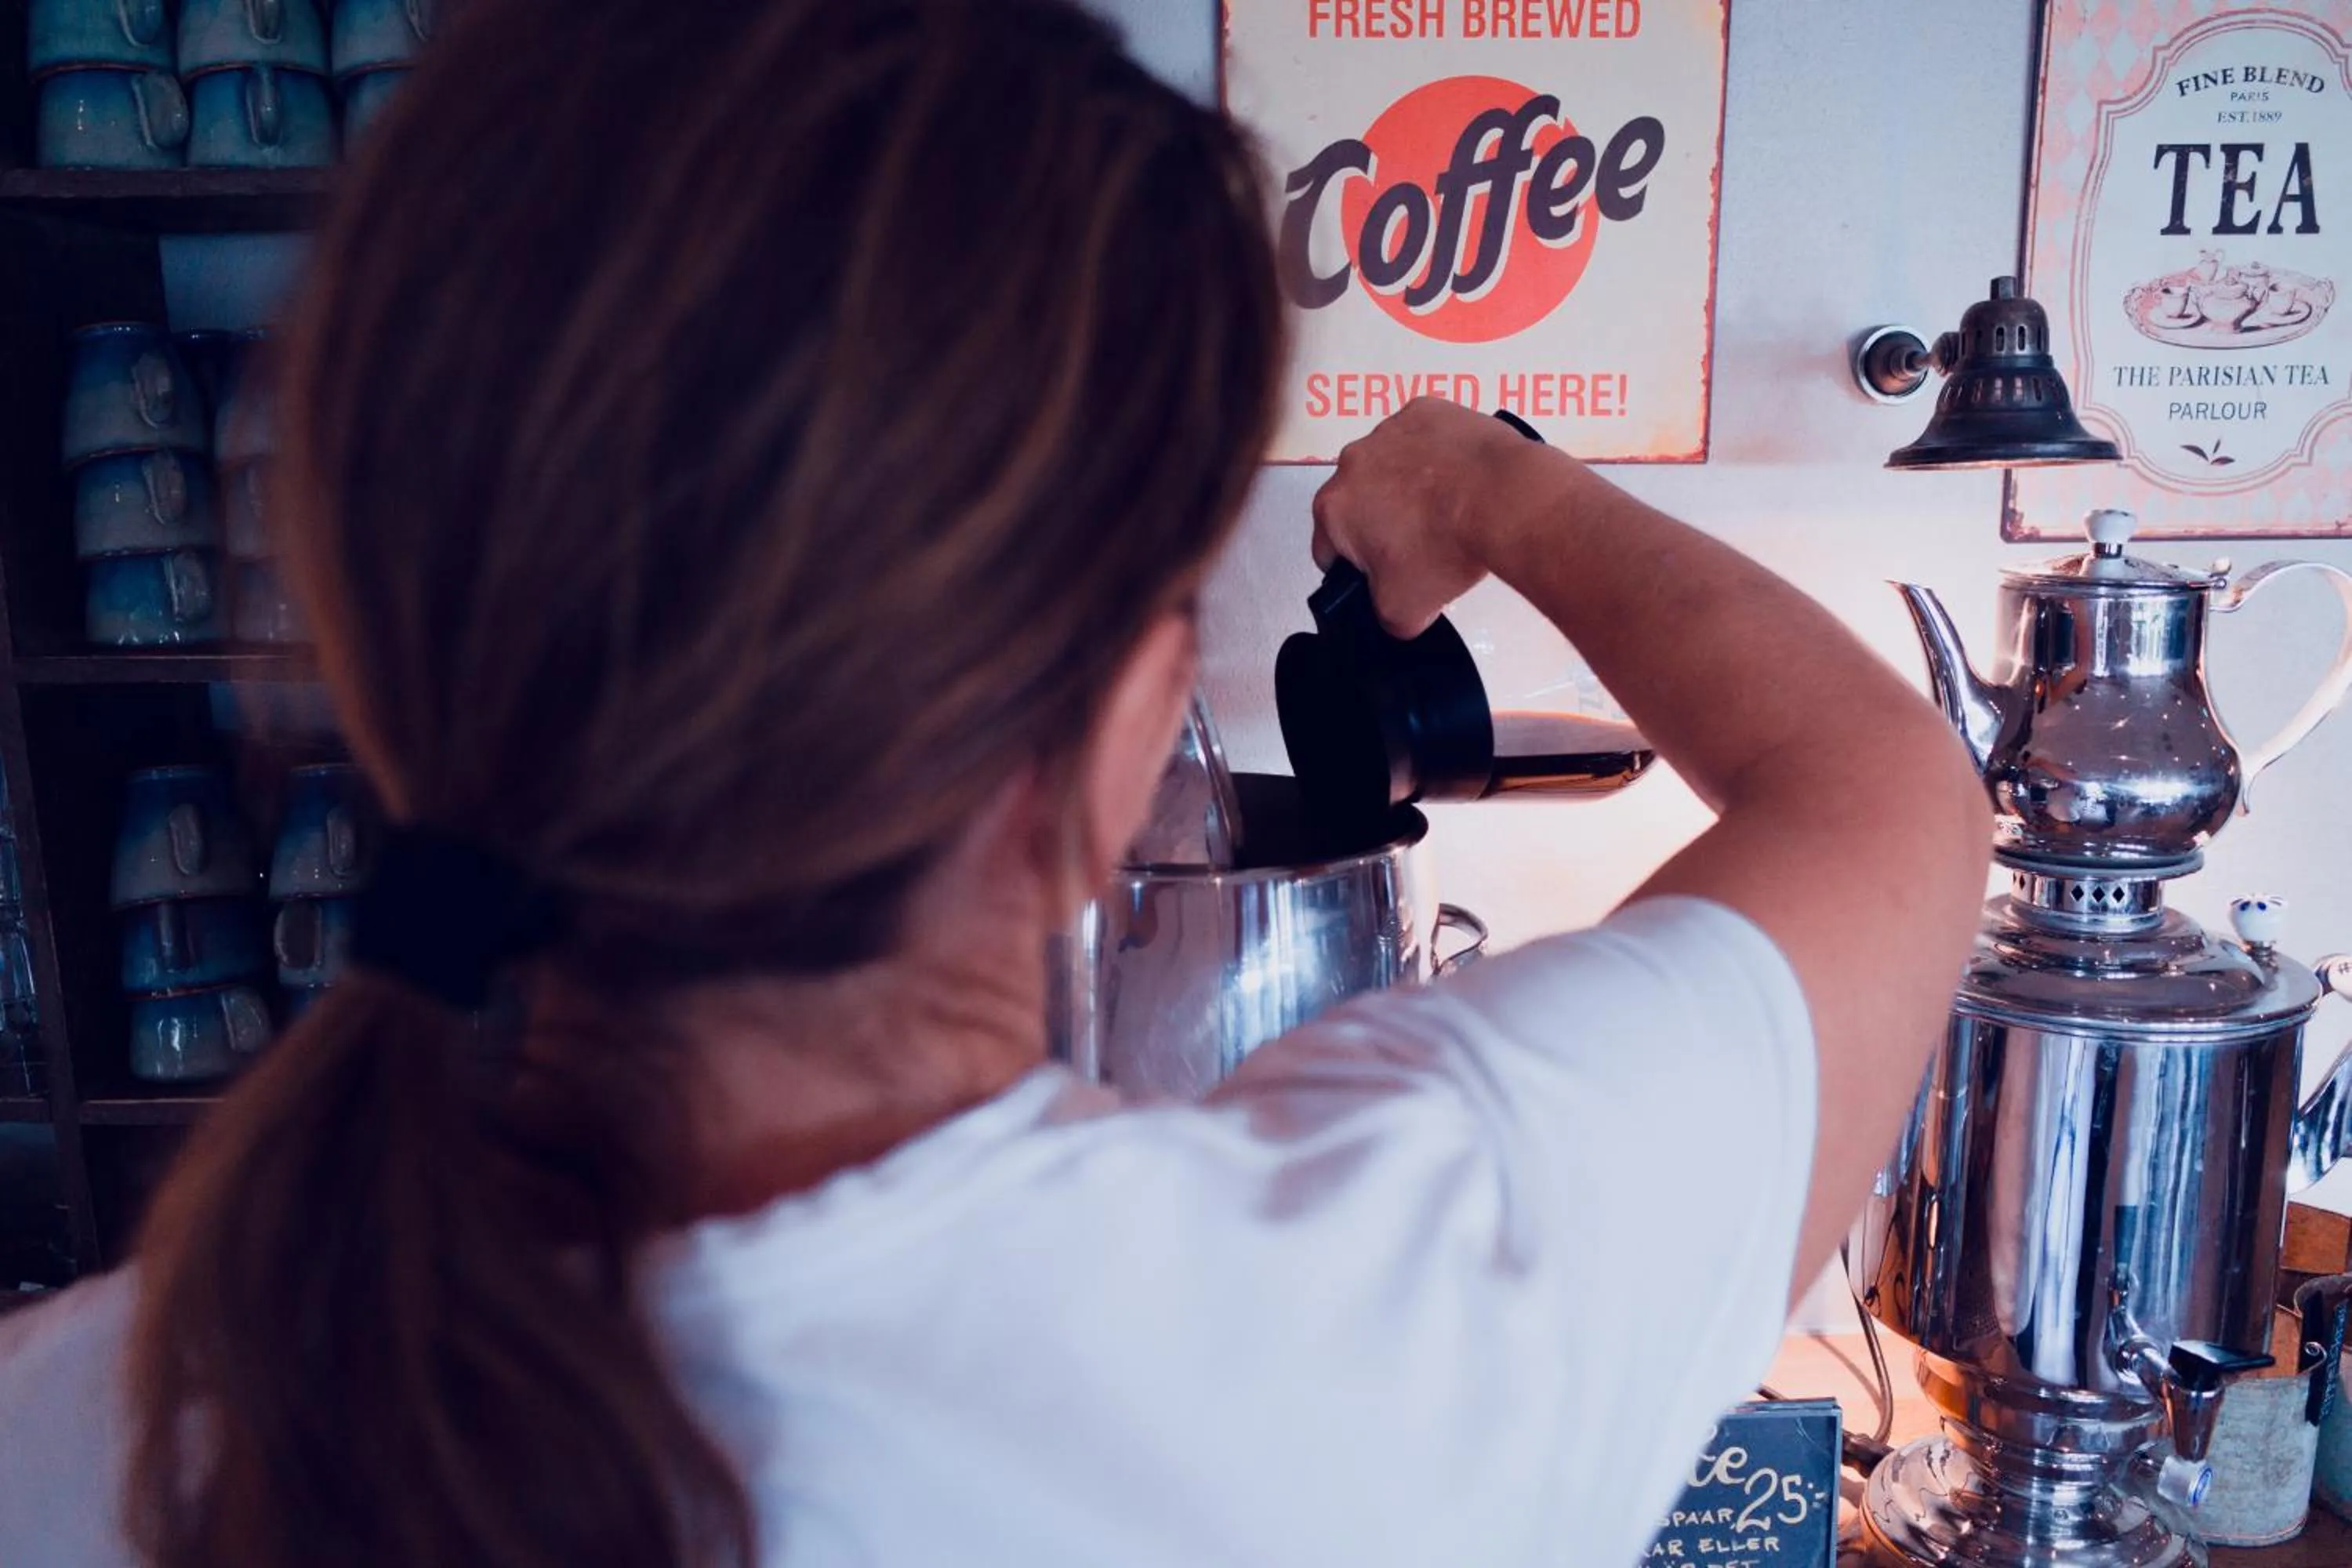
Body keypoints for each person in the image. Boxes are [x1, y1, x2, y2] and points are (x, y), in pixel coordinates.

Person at [0, 0, 1990, 1563]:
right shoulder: (1389, 1340)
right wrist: (1492, 484)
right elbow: (1889, 793)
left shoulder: (69, 1429)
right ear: (1120, 731)